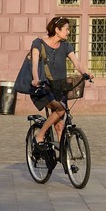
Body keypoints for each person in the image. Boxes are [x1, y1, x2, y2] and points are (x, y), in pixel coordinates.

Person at [29, 17, 90, 153]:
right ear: (57, 30)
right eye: (66, 29)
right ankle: (39, 136)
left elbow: (77, 63)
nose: (68, 32)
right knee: (61, 110)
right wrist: (36, 79)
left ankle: (65, 157)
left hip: (59, 88)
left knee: (60, 126)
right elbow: (34, 66)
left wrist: (86, 73)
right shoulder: (38, 44)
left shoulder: (66, 46)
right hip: (43, 88)